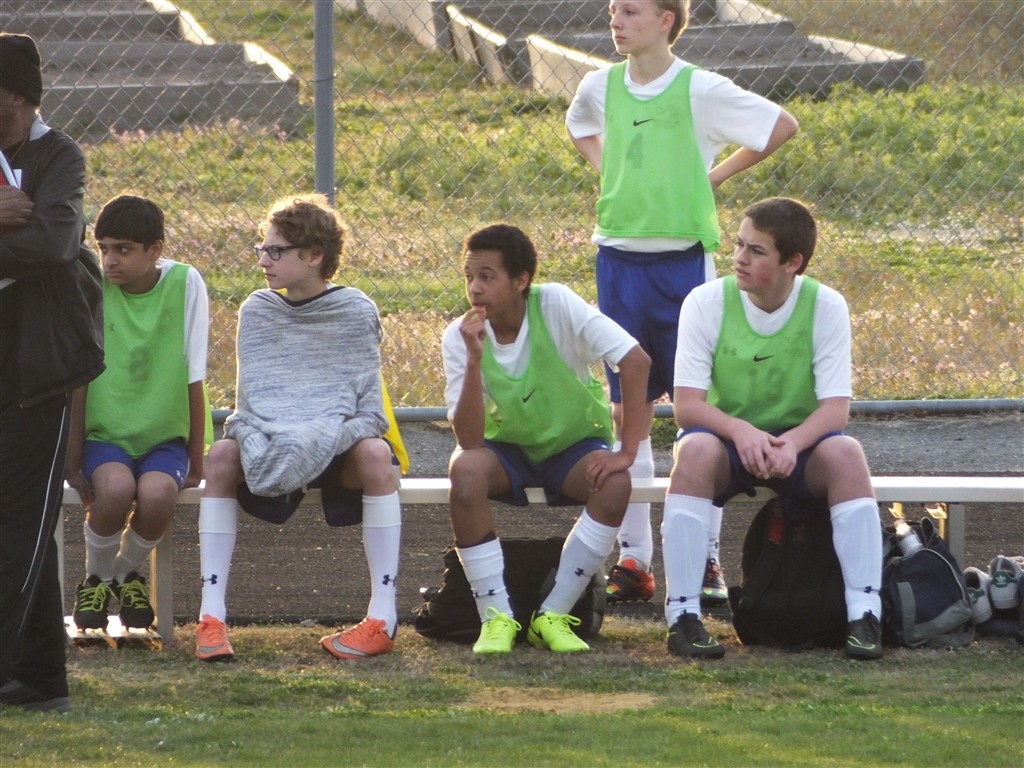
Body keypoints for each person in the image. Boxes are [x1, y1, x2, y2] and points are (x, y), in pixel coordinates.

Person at [566, 0, 799, 607]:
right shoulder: (599, 85)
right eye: (613, 11)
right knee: (628, 407)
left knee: (699, 409)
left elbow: (781, 125)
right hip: (618, 261)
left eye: (631, 11)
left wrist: (711, 177)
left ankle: (707, 560)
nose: (616, 21)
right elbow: (579, 124)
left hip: (683, 264)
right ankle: (635, 558)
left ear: (667, 19)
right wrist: (610, 167)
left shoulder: (700, 89)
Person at [662, 197, 883, 660]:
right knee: (694, 451)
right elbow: (687, 408)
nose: (739, 258)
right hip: (726, 443)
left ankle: (865, 616)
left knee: (847, 455)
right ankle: (682, 616)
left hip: (798, 446)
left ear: (792, 262)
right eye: (739, 244)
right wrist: (742, 432)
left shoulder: (825, 304)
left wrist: (793, 443)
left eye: (756, 250)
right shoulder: (705, 301)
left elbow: (835, 410)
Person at [194, 193, 403, 662]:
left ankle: (382, 618)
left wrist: (318, 440)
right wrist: (272, 441)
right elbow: (248, 409)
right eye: (261, 249)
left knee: (375, 454)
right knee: (222, 455)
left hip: (335, 446)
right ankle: (211, 618)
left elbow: (371, 416)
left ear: (314, 256)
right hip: (270, 444)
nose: (263, 261)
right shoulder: (257, 310)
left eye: (275, 251)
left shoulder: (356, 310)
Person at [442, 223, 651, 655]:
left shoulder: (555, 303)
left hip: (572, 448)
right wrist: (475, 361)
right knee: (464, 471)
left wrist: (627, 451)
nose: (474, 288)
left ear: (521, 281)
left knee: (615, 483)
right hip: (507, 453)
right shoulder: (459, 336)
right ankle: (496, 617)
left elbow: (635, 360)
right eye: (469, 276)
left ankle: (553, 614)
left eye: (487, 276)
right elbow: (470, 438)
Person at [0, 32, 104, 713]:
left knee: (19, 523)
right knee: (16, 524)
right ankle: (41, 678)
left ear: (16, 96)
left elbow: (53, 243)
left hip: (36, 363)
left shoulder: (57, 155)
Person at [64, 194, 210, 633]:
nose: (110, 260)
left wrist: (197, 460)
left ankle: (123, 574)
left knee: (158, 494)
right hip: (105, 436)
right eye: (104, 248)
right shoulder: (92, 284)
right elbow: (78, 379)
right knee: (114, 489)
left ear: (155, 250)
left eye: (123, 249)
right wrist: (72, 459)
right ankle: (96, 579)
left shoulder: (186, 283)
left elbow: (195, 375)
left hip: (164, 438)